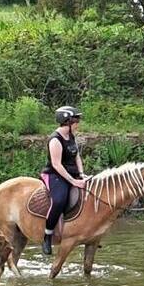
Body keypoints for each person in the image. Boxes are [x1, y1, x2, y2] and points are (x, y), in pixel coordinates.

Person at [40, 106, 87, 255]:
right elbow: (56, 165)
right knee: (59, 200)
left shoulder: (71, 136)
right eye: (76, 121)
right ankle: (47, 236)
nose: (78, 124)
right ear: (67, 122)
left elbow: (77, 156)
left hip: (72, 173)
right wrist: (73, 181)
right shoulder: (55, 140)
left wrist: (81, 174)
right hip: (55, 175)